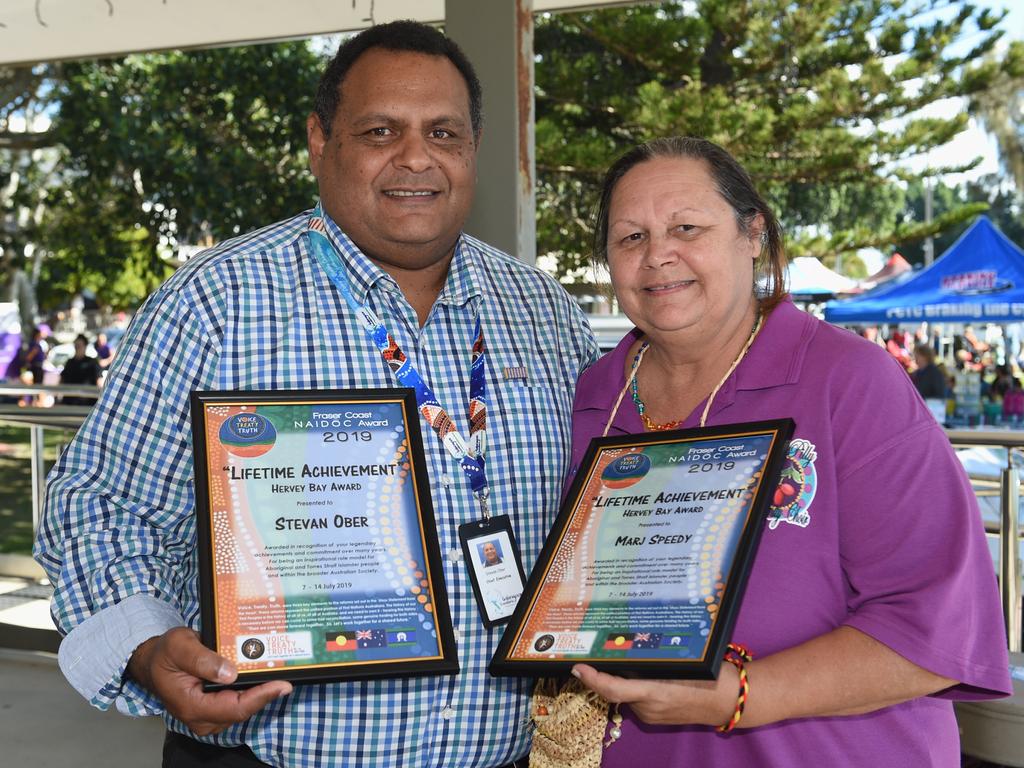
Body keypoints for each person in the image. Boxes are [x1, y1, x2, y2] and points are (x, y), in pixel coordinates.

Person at [35, 21, 597, 768]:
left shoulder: (544, 311)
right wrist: (144, 647)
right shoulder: (217, 302)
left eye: (443, 132)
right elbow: (100, 505)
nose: (416, 158)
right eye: (379, 130)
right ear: (319, 140)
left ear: (474, 147)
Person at [566, 137, 1011, 766]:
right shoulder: (592, 400)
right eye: (630, 238)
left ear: (753, 235)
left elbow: (937, 628)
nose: (658, 256)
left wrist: (743, 694)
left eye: (686, 227)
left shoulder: (849, 383)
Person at [59, 334, 102, 406]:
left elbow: (99, 381)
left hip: (88, 403)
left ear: (85, 346)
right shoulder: (70, 362)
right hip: (69, 402)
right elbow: (62, 380)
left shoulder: (92, 362)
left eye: (79, 346)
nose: (77, 348)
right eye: (76, 346)